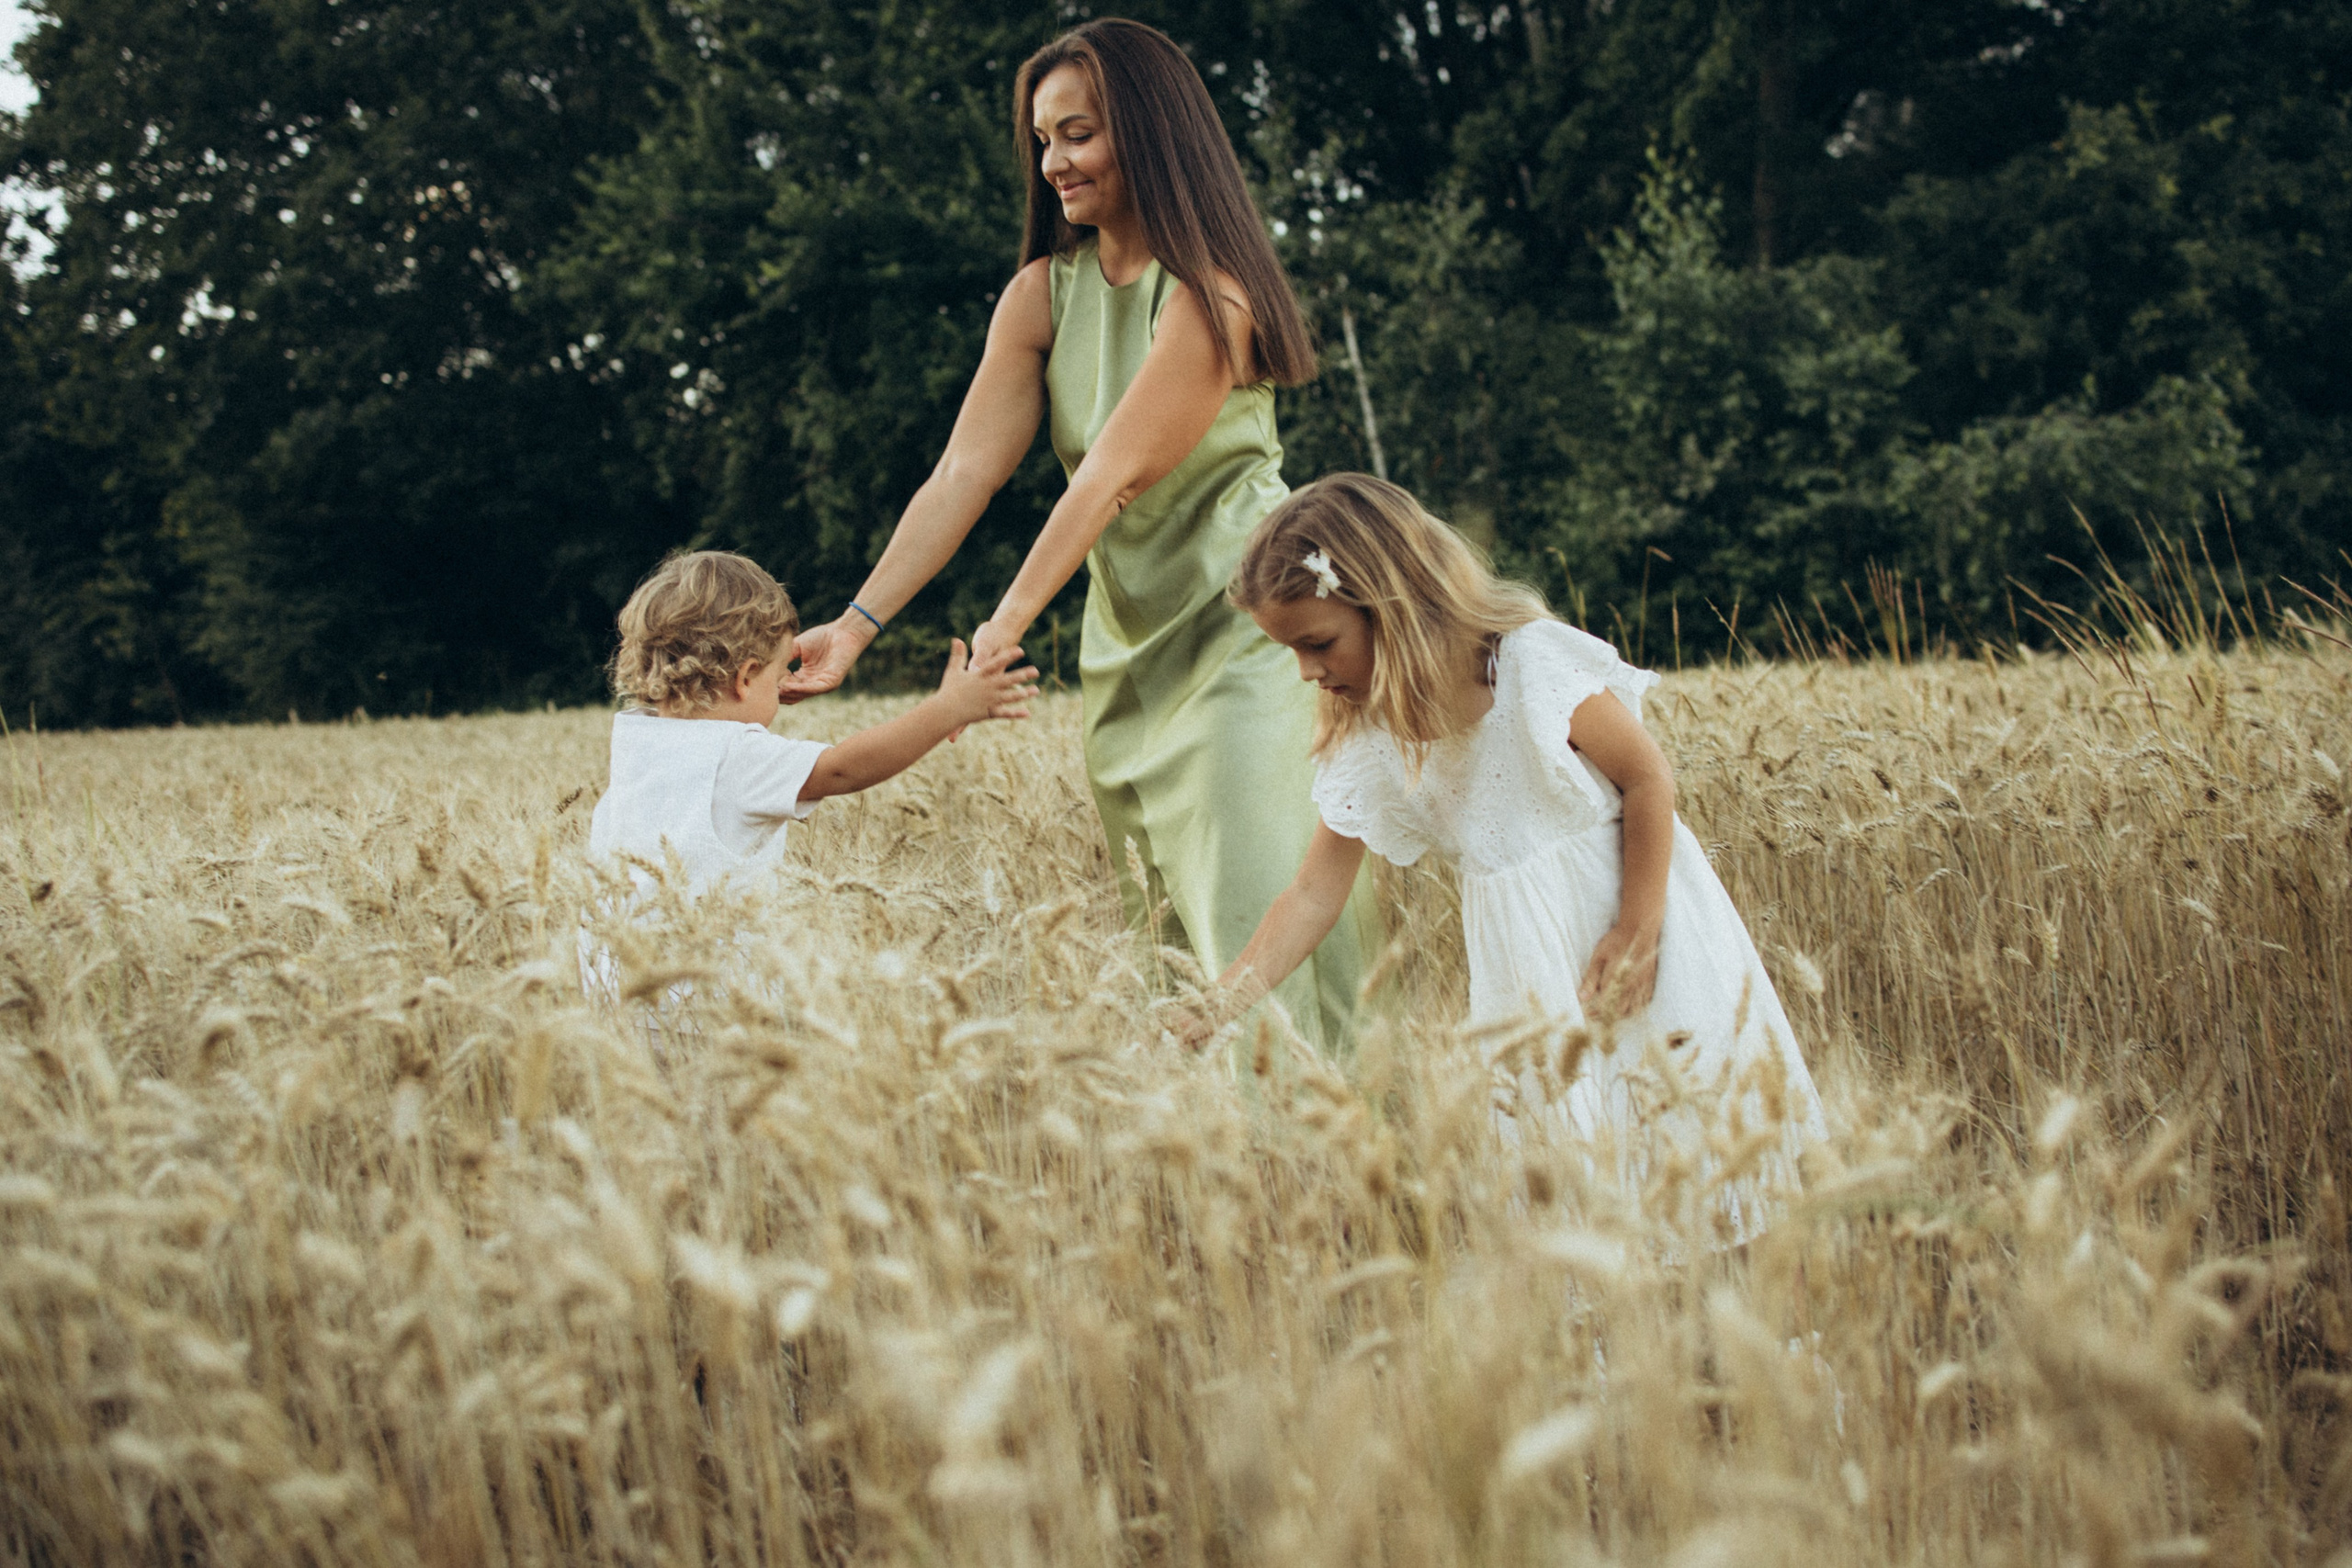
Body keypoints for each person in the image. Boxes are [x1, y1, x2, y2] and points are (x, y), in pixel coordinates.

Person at [782, 19, 1375, 1053]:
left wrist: (1005, 623)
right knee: (1166, 940)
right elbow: (962, 474)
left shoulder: (1210, 299)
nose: (1053, 162)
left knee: (1253, 909)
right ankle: (1211, 1148)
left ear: (1149, 134)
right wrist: (857, 624)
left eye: (1079, 134)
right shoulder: (1040, 298)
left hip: (1249, 635)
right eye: (1042, 139)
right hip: (1127, 654)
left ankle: (1329, 1137)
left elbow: (1111, 477)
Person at [1193, 474, 1827, 1235]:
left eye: (1317, 642)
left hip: (1640, 927)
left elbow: (1647, 777)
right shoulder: (1368, 739)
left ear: (1389, 602)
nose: (1306, 670)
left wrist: (1638, 927)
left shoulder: (1530, 665)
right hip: (1528, 985)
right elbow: (1312, 896)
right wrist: (1219, 1003)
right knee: (1578, 1187)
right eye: (1291, 650)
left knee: (1708, 1146)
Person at [589, 550, 1035, 906]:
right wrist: (946, 710)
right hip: (708, 983)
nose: (784, 686)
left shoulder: (635, 739)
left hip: (619, 975)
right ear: (745, 678)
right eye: (779, 674)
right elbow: (843, 768)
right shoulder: (737, 755)